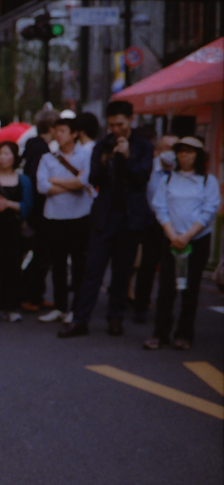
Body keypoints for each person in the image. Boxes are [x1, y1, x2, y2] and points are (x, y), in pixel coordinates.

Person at [60, 100, 154, 338]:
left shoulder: (143, 146)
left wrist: (128, 157)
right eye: (111, 125)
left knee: (122, 271)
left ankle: (116, 317)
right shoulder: (101, 145)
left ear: (131, 120)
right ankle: (81, 319)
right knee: (93, 269)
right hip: (105, 214)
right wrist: (105, 161)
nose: (116, 129)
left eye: (120, 124)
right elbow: (93, 179)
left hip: (131, 215)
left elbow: (142, 177)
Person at [144, 136, 220, 350]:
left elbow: (209, 210)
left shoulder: (208, 181)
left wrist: (187, 236)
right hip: (171, 239)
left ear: (198, 155)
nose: (184, 155)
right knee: (166, 287)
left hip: (196, 240)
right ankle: (160, 333)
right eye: (181, 151)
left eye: (189, 151)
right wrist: (172, 234)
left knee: (190, 289)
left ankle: (184, 334)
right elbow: (160, 207)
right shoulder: (168, 179)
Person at [35, 117, 93, 324]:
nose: (58, 135)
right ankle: (60, 306)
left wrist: (56, 181)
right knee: (57, 264)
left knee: (79, 264)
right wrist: (73, 184)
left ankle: (76, 309)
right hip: (54, 217)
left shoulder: (86, 156)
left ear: (74, 133)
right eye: (56, 131)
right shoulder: (47, 158)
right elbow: (42, 187)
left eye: (62, 131)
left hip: (79, 216)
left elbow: (84, 182)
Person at [0, 141, 32, 323]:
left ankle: (12, 306)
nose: (3, 158)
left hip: (14, 228)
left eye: (7, 153)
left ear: (15, 157)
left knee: (13, 265)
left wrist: (10, 204)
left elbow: (28, 206)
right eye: (0, 154)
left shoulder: (23, 180)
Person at [133, 132, 179, 323]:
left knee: (172, 269)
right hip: (152, 223)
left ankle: (166, 309)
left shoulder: (182, 170)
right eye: (167, 149)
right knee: (148, 266)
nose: (171, 153)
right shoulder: (149, 168)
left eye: (175, 149)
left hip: (175, 226)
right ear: (159, 150)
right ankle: (140, 307)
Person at [21, 109, 61, 312]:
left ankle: (35, 294)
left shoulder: (33, 147)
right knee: (42, 255)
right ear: (52, 128)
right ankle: (30, 295)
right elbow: (37, 182)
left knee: (41, 254)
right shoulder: (41, 150)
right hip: (39, 211)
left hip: (35, 211)